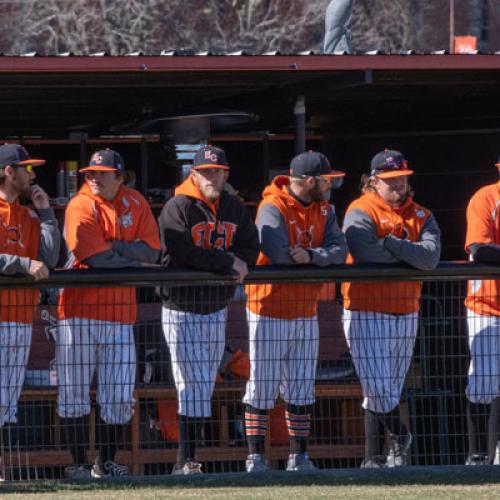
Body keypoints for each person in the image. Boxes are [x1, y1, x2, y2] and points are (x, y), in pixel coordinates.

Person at [57, 149, 161, 479]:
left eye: (102, 173)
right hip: (78, 311)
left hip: (120, 311)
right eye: (91, 173)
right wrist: (130, 257)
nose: (94, 178)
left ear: (120, 176)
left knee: (117, 395)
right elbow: (92, 255)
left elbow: (154, 251)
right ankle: (76, 464)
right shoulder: (80, 204)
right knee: (73, 393)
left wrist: (113, 246)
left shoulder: (136, 201)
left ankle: (106, 462)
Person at [244, 150, 348, 472]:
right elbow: (275, 251)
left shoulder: (324, 209)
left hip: (306, 308)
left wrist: (312, 255)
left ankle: (299, 456)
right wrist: (313, 256)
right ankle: (256, 458)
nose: (330, 185)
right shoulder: (272, 205)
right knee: (263, 385)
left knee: (302, 385)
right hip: (269, 307)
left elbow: (340, 249)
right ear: (308, 181)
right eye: (325, 180)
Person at [158, 145, 259, 475]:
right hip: (181, 307)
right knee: (188, 382)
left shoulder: (234, 206)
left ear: (226, 174)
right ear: (194, 174)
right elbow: (183, 251)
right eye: (206, 171)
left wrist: (231, 262)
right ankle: (184, 460)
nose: (212, 176)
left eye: (218, 171)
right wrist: (226, 261)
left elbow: (250, 248)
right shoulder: (178, 206)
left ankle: (189, 460)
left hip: (217, 306)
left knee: (204, 384)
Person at [342, 149, 441, 468]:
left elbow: (430, 259)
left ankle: (376, 459)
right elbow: (365, 253)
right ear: (373, 182)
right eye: (390, 180)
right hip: (366, 308)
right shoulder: (361, 209)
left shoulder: (422, 214)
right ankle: (400, 434)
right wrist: (408, 258)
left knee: (390, 388)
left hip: (407, 309)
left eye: (401, 178)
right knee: (377, 385)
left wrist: (392, 244)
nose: (398, 184)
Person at [0, 144, 60, 475]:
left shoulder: (28, 214)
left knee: (8, 402)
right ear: (9, 171)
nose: (31, 175)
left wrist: (47, 212)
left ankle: (3, 470)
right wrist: (23, 263)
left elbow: (50, 259)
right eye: (25, 168)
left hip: (22, 318)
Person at [464, 158, 500, 465]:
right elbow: (479, 248)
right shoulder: (486, 197)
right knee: (484, 383)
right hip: (488, 306)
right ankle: (478, 456)